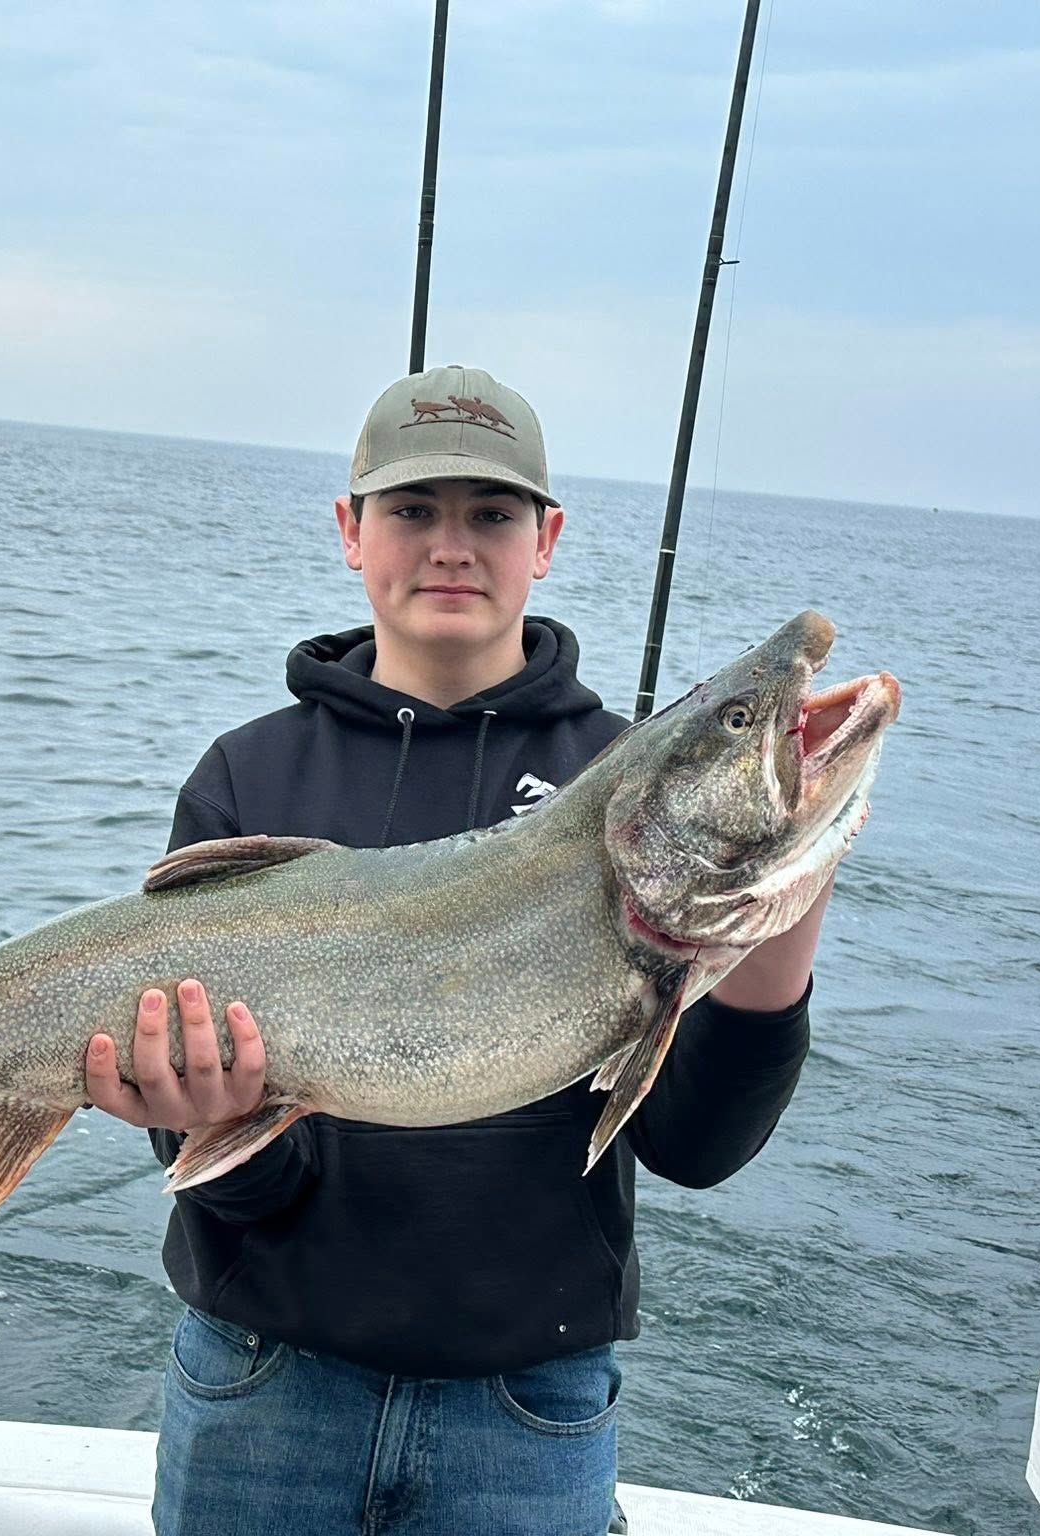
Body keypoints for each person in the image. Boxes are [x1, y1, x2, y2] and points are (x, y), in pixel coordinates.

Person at [84, 365, 829, 1536]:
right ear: (350, 531)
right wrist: (211, 1122)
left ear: (546, 540)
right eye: (411, 510)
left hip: (526, 1410)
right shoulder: (246, 776)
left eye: (489, 514)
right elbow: (226, 1180)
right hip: (260, 1383)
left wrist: (776, 912)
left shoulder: (631, 788)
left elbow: (693, 1148)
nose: (450, 546)